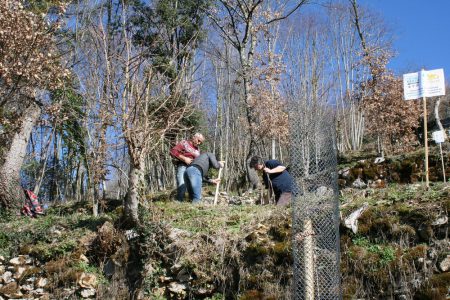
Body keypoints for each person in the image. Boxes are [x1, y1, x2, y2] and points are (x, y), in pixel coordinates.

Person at [170, 133, 205, 201]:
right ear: (194, 137)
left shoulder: (197, 150)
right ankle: (178, 204)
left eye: (201, 142)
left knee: (193, 187)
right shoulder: (184, 143)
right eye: (198, 140)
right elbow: (173, 151)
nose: (199, 143)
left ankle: (191, 205)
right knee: (182, 185)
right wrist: (184, 158)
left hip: (192, 169)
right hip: (183, 166)